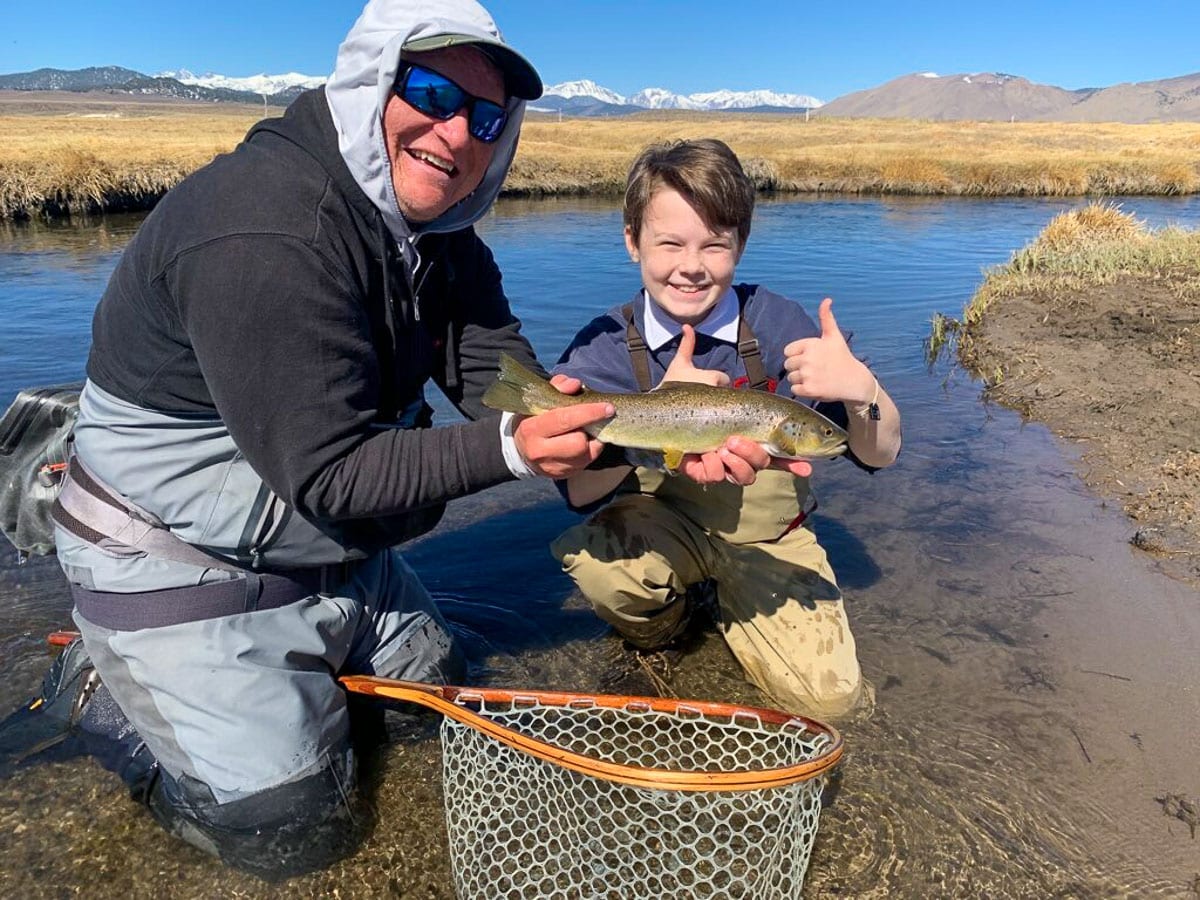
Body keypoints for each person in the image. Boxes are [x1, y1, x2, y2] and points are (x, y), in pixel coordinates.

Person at [0, 0, 618, 879]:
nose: (459, 133)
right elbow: (332, 472)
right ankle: (113, 702)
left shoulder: (437, 234)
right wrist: (516, 451)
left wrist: (626, 433)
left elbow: (494, 369)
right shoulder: (266, 228)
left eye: (487, 118)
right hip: (179, 561)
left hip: (327, 543)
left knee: (431, 705)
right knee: (290, 833)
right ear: (371, 80)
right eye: (433, 92)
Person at [549, 139, 902, 721]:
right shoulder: (604, 346)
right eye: (670, 243)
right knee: (600, 567)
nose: (692, 266)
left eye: (715, 244)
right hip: (661, 524)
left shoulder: (782, 324)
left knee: (831, 706)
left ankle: (732, 604)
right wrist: (660, 423)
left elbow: (879, 455)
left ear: (740, 243)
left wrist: (864, 391)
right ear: (632, 240)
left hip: (773, 538)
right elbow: (579, 492)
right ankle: (666, 627)